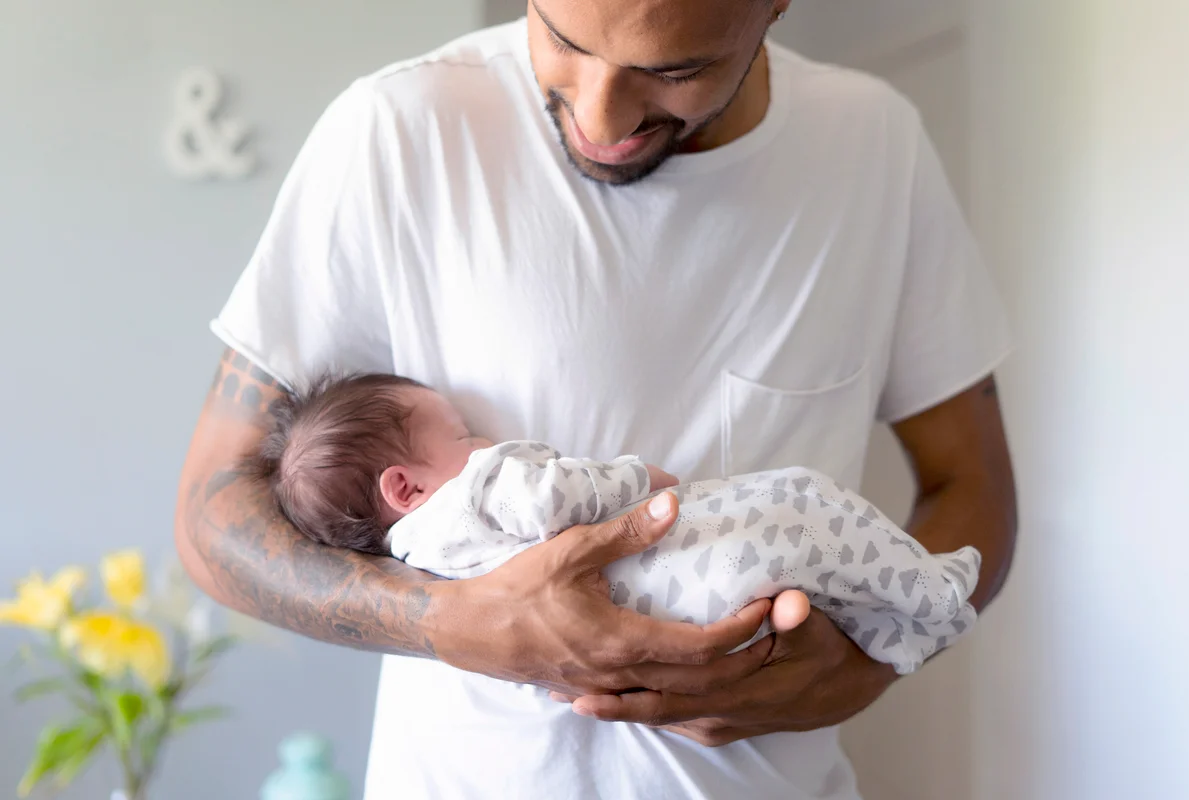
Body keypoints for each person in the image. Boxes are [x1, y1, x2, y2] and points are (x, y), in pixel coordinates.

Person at [174, 0, 1018, 795]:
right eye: (565, 40)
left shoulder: (875, 146)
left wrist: (862, 672)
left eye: (676, 69)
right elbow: (212, 519)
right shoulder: (400, 133)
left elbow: (970, 488)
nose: (601, 117)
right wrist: (456, 622)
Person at [246, 372, 982, 674]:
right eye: (459, 430)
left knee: (806, 580)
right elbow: (550, 498)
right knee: (807, 505)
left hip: (650, 625)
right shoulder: (477, 488)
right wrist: (635, 479)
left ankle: (893, 629)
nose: (475, 440)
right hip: (680, 559)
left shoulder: (421, 561)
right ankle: (931, 597)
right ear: (405, 484)